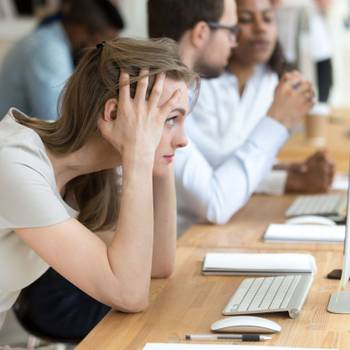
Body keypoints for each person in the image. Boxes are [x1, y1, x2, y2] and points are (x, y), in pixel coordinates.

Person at [0, 37, 197, 340]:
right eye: (170, 119)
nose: (183, 140)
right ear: (113, 114)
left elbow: (158, 263)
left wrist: (157, 157)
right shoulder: (15, 164)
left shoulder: (81, 173)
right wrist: (140, 155)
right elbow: (129, 293)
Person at [148, 0, 319, 234]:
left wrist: (282, 175)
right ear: (201, 34)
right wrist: (277, 122)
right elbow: (216, 202)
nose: (234, 40)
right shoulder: (157, 103)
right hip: (175, 246)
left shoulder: (177, 92)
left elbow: (216, 163)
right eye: (232, 30)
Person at [0, 0, 124, 121]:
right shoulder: (48, 50)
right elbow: (56, 120)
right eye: (99, 44)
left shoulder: (48, 39)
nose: (99, 54)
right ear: (80, 30)